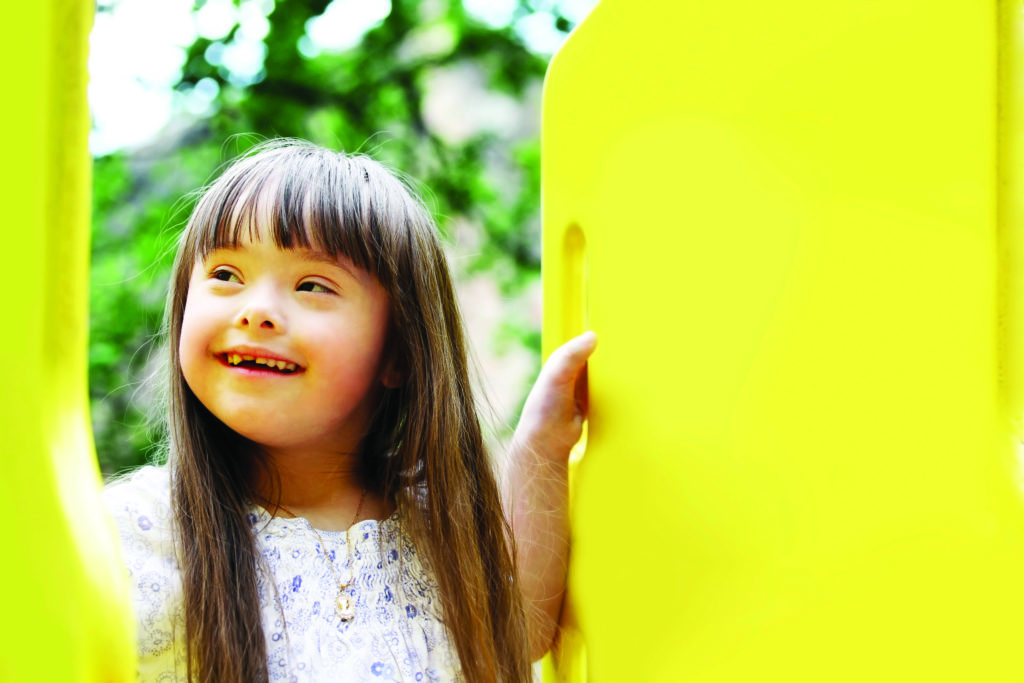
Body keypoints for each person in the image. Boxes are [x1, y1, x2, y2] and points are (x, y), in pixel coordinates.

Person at [102, 139, 596, 683]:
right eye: (225, 275)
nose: (257, 310)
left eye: (312, 285)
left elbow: (518, 632)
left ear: (399, 351)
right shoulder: (130, 533)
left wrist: (542, 448)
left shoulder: (438, 531)